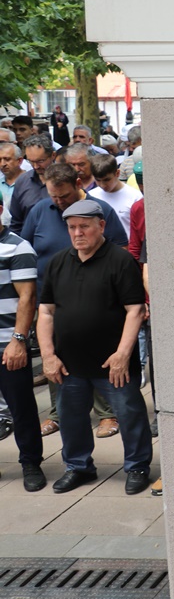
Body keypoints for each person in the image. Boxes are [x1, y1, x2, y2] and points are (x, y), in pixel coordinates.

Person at [39, 200, 150, 495]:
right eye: (72, 227)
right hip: (69, 363)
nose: (78, 233)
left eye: (84, 226)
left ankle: (137, 466)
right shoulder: (58, 262)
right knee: (71, 417)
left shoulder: (120, 261)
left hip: (113, 362)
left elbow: (135, 310)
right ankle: (78, 467)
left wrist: (123, 354)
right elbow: (46, 311)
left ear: (101, 226)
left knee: (129, 414)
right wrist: (48, 355)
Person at [0, 205, 42, 491]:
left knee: (21, 407)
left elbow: (27, 297)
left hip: (8, 343)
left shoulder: (18, 247)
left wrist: (18, 340)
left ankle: (31, 463)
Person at [88, 153, 143, 237]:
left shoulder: (135, 196)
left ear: (117, 173)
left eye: (107, 180)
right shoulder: (91, 196)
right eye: (98, 180)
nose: (102, 185)